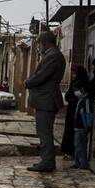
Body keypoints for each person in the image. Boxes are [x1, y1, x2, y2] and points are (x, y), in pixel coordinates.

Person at [24, 31, 66, 173]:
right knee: (43, 132)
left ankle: (47, 162)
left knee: (45, 133)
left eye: (39, 44)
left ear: (45, 43)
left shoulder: (53, 56)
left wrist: (27, 83)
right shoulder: (51, 55)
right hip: (44, 100)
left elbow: (41, 76)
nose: (39, 47)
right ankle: (46, 160)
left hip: (47, 100)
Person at [61, 65, 89, 158]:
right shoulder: (75, 82)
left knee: (73, 133)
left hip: (77, 112)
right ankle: (69, 152)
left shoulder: (80, 83)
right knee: (70, 131)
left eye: (74, 73)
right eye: (72, 74)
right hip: (72, 111)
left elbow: (78, 97)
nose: (73, 75)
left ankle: (73, 153)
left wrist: (71, 99)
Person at [72, 80, 92, 169]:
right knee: (77, 145)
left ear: (82, 89)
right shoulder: (81, 100)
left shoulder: (86, 100)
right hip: (78, 126)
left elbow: (88, 113)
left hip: (82, 127)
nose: (76, 92)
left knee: (81, 146)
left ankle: (82, 163)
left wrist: (87, 125)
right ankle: (77, 163)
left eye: (76, 90)